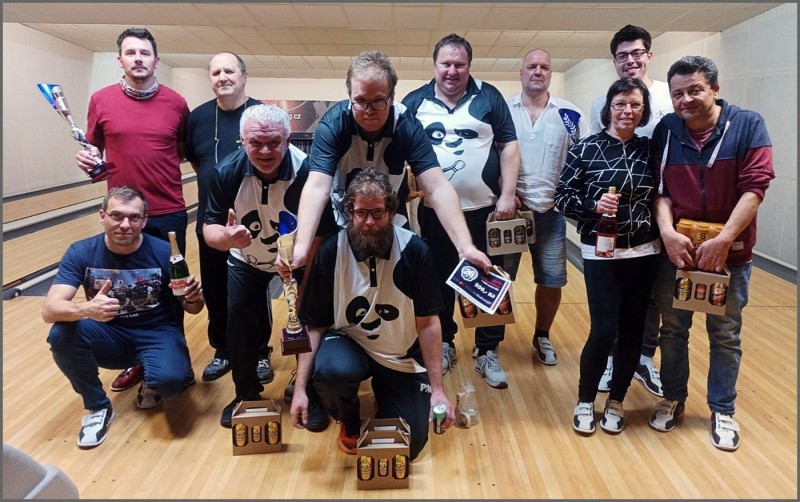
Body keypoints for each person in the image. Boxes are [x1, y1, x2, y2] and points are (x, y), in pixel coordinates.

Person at [648, 56, 774, 451]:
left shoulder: (748, 125)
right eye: (677, 94)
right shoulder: (667, 130)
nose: (685, 100)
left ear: (715, 90)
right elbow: (660, 191)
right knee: (673, 331)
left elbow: (755, 187)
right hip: (679, 253)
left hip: (731, 255)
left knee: (725, 334)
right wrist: (667, 233)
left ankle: (722, 409)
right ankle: (673, 397)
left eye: (695, 90)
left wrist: (725, 239)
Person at [288, 50, 492, 289]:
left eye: (378, 101)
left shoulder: (407, 125)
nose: (369, 110)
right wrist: (301, 248)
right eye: (360, 101)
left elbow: (436, 187)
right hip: (343, 218)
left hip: (391, 219)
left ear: (392, 97)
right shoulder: (333, 125)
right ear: (349, 96)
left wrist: (465, 246)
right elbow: (317, 187)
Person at [291, 168, 454, 460]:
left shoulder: (415, 251)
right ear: (349, 212)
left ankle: (389, 392)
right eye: (360, 213)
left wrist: (438, 390)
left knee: (408, 446)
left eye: (378, 213)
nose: (369, 222)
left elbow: (429, 323)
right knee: (331, 372)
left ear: (391, 211)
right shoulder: (331, 251)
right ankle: (348, 416)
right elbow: (313, 325)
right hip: (349, 343)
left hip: (400, 356)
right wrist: (301, 388)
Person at [203, 104, 336, 430]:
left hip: (299, 259)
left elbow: (321, 235)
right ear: (243, 141)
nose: (265, 151)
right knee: (240, 324)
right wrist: (226, 238)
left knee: (309, 321)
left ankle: (308, 389)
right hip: (246, 260)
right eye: (256, 143)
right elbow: (209, 229)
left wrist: (304, 276)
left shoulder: (307, 173)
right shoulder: (226, 172)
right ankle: (246, 392)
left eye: (274, 142)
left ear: (288, 140)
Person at [42, 186, 203, 449]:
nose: (125, 225)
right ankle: (98, 407)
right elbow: (50, 310)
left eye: (134, 217)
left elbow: (193, 309)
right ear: (102, 216)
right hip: (109, 335)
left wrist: (194, 297)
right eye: (116, 216)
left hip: (156, 334)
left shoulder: (164, 251)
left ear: (144, 220)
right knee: (61, 334)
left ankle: (151, 375)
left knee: (171, 384)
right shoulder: (81, 252)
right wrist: (86, 309)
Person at [75, 27, 190, 394]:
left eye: (145, 52)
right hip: (122, 215)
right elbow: (93, 151)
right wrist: (87, 159)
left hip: (168, 209)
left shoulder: (176, 102)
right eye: (131, 52)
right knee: (125, 292)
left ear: (156, 60)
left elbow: (181, 151)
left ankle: (172, 356)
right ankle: (135, 358)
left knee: (172, 291)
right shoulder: (101, 100)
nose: (138, 58)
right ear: (120, 60)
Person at [402, 34, 520, 388]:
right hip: (433, 212)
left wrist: (507, 194)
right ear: (434, 65)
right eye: (446, 64)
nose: (452, 71)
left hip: (485, 210)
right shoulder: (414, 102)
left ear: (469, 65)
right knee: (437, 280)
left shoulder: (489, 96)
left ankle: (487, 350)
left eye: (460, 64)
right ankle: (445, 342)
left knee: (488, 281)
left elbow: (509, 145)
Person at [555, 77, 661, 435]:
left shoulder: (650, 150)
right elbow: (562, 197)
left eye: (635, 104)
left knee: (632, 330)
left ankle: (616, 400)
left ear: (643, 110)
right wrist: (593, 204)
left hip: (644, 251)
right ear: (609, 109)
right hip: (602, 253)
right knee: (603, 330)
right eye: (620, 104)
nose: (627, 111)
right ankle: (585, 400)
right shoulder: (586, 149)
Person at [589, 25, 675, 396]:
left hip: (660, 211)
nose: (630, 60)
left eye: (637, 53)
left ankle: (643, 357)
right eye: (622, 55)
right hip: (614, 224)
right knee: (614, 301)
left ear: (649, 56)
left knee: (650, 296)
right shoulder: (601, 102)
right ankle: (614, 358)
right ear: (614, 61)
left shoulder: (669, 97)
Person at [185, 52, 272, 384]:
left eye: (229, 71)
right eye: (216, 72)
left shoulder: (260, 114)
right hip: (212, 219)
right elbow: (200, 164)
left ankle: (259, 352)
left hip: (254, 219)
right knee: (215, 288)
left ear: (244, 76)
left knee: (252, 290)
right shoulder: (198, 118)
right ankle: (222, 349)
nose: (222, 77)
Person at [503, 48, 590, 368]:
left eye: (544, 67)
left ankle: (542, 335)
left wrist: (570, 196)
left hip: (551, 213)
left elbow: (583, 159)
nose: (537, 71)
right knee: (499, 278)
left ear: (551, 73)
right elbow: (489, 155)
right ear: (521, 72)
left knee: (552, 279)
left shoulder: (570, 114)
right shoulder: (504, 110)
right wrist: (504, 191)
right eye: (531, 66)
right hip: (510, 212)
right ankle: (490, 340)